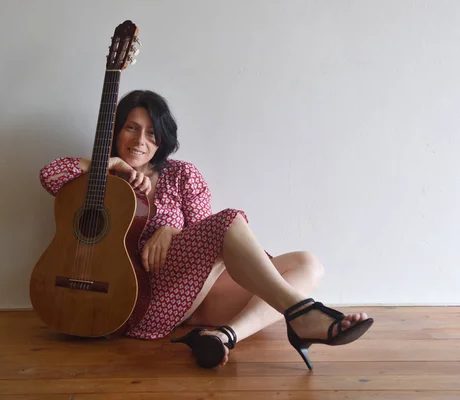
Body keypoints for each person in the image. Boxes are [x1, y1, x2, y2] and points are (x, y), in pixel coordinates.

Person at [39, 89, 373, 370]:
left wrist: (171, 230)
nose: (141, 140)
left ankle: (223, 336)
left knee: (307, 263)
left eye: (152, 133)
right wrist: (104, 164)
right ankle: (303, 314)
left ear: (162, 140)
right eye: (131, 128)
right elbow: (49, 177)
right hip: (132, 299)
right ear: (115, 131)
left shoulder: (183, 174)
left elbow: (212, 240)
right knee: (229, 219)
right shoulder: (100, 182)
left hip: (194, 295)